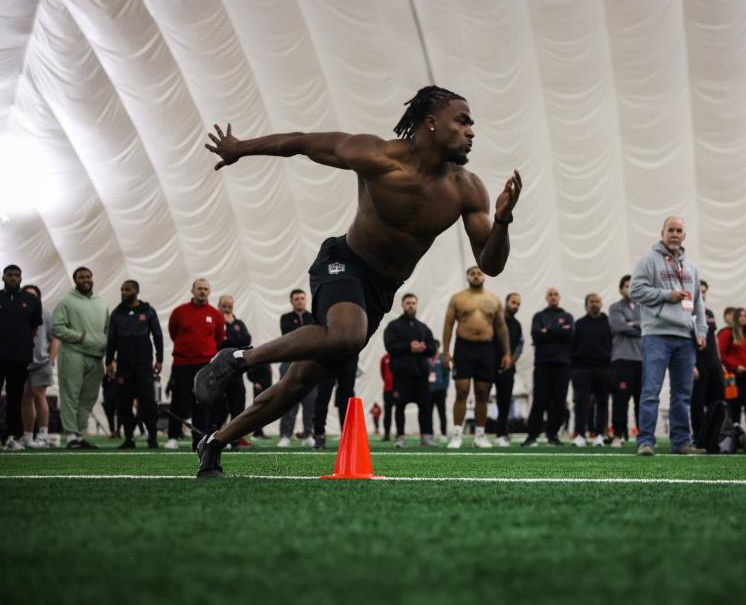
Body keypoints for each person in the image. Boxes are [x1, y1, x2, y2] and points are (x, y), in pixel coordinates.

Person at [194, 86, 521, 477]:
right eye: (463, 121)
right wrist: (240, 147)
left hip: (380, 291)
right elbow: (301, 142)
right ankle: (237, 358)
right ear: (431, 123)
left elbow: (491, 264)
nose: (471, 131)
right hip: (344, 262)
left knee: (299, 383)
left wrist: (501, 221)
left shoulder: (467, 189)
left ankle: (213, 443)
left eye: (472, 124)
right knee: (347, 334)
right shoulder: (376, 156)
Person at [630, 217, 707, 456]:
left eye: (679, 231)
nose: (674, 234)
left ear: (684, 236)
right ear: (662, 233)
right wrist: (666, 295)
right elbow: (635, 290)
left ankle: (681, 443)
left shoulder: (691, 267)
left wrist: (701, 331)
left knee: (682, 395)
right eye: (670, 230)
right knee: (651, 391)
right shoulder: (649, 261)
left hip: (685, 337)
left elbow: (698, 302)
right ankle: (645, 442)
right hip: (656, 335)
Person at [442, 266, 511, 448]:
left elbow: (502, 327)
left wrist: (507, 353)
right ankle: (457, 434)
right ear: (467, 277)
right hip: (463, 348)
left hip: (486, 349)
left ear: (484, 277)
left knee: (483, 392)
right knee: (462, 391)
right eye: (472, 273)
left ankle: (480, 436)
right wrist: (446, 352)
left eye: (479, 273)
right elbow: (449, 324)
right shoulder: (458, 298)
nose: (476, 276)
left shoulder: (493, 299)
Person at [50, 267, 110, 449]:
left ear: (92, 278)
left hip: (96, 357)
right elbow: (57, 328)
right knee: (70, 397)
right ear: (75, 280)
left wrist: (105, 346)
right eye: (81, 277)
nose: (85, 279)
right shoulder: (66, 302)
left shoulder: (101, 302)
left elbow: (108, 330)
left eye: (88, 276)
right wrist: (79, 337)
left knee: (88, 399)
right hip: (72, 354)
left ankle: (79, 434)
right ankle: (70, 438)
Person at [167, 278, 225, 450]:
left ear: (209, 292)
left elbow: (219, 339)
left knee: (203, 402)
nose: (202, 291)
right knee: (179, 400)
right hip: (182, 363)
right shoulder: (179, 312)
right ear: (192, 291)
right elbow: (173, 332)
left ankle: (200, 437)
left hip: (205, 365)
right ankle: (173, 436)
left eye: (206, 289)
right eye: (199, 288)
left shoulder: (215, 315)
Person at [105, 280, 163, 449]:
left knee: (148, 402)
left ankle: (152, 438)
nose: (123, 292)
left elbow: (157, 336)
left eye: (127, 289)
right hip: (124, 367)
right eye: (122, 289)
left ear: (137, 291)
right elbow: (111, 339)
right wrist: (109, 361)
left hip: (144, 366)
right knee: (124, 403)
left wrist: (159, 359)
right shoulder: (117, 313)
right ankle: (128, 438)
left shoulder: (148, 311)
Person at [522, 288, 574, 447]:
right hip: (543, 364)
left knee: (559, 401)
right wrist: (557, 331)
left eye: (555, 294)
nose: (553, 297)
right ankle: (532, 436)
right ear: (546, 298)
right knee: (539, 400)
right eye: (550, 295)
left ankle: (553, 436)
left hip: (562, 365)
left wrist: (548, 330)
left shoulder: (567, 316)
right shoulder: (539, 316)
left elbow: (569, 334)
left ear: (559, 297)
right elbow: (536, 334)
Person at [384, 293, 437, 447]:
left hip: (421, 374)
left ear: (416, 305)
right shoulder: (393, 326)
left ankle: (425, 437)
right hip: (402, 375)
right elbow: (390, 347)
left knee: (425, 406)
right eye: (408, 303)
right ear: (403, 305)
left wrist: (424, 347)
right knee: (400, 406)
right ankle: (400, 437)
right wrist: (409, 347)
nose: (411, 305)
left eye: (413, 303)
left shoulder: (423, 328)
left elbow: (433, 348)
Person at [1, 266, 42, 450]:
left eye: (17, 275)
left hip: (20, 357)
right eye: (9, 275)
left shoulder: (31, 300)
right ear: (3, 277)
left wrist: (21, 343)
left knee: (15, 398)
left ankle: (11, 436)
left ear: (21, 278)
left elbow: (34, 328)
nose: (13, 278)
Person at [277, 289, 318, 448]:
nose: (300, 301)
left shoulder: (313, 318)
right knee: (288, 400)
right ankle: (286, 435)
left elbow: (315, 338)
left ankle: (308, 434)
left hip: (310, 363)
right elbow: (290, 337)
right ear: (291, 301)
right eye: (296, 299)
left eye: (302, 298)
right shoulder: (286, 318)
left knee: (310, 402)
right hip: (289, 363)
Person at [570, 294, 612, 447]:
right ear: (586, 304)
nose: (594, 304)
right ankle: (580, 434)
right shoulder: (579, 324)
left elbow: (613, 344)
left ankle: (599, 435)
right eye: (591, 302)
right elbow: (572, 347)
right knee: (581, 404)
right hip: (582, 369)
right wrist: (573, 370)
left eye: (597, 301)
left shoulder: (609, 322)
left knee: (602, 403)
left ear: (601, 304)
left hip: (604, 368)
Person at [20, 285, 56, 448]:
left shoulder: (46, 314)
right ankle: (27, 436)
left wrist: (51, 358)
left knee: (38, 395)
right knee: (25, 398)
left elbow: (55, 338)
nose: (30, 298)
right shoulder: (15, 314)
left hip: (41, 362)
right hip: (20, 363)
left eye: (34, 295)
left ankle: (43, 436)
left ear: (39, 297)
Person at [609, 274, 642, 448]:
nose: (630, 289)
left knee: (642, 400)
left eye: (633, 285)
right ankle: (617, 435)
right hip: (622, 360)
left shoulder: (644, 307)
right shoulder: (615, 308)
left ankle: (643, 436)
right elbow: (619, 326)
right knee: (621, 400)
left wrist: (631, 324)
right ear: (621, 289)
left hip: (642, 360)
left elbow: (649, 326)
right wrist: (637, 326)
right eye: (627, 286)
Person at [214, 295, 252, 440]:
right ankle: (217, 435)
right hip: (218, 369)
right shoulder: (216, 323)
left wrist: (230, 326)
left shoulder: (239, 324)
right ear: (218, 306)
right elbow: (219, 343)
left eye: (229, 307)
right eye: (224, 306)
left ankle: (236, 436)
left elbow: (245, 341)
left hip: (235, 370)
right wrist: (225, 327)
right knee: (219, 405)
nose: (227, 310)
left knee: (238, 401)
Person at [691, 280, 724, 438]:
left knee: (716, 401)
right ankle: (699, 436)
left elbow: (714, 338)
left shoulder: (709, 313)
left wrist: (720, 363)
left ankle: (714, 435)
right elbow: (685, 340)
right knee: (697, 402)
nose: (702, 294)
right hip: (698, 364)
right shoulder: (688, 312)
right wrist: (691, 365)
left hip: (713, 364)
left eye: (704, 291)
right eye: (700, 291)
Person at [717, 307, 746, 434]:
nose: (743, 318)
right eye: (740, 316)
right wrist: (735, 366)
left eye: (745, 315)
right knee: (735, 405)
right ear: (735, 318)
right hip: (733, 376)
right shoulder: (727, 333)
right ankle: (734, 433)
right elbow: (721, 354)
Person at [493, 292, 523, 447]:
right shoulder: (495, 320)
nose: (516, 306)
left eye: (518, 304)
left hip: (508, 368)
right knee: (483, 397)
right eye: (513, 302)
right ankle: (480, 433)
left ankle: (501, 434)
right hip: (490, 365)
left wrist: (512, 359)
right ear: (506, 301)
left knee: (504, 402)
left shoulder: (517, 325)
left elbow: (520, 344)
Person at [312, 356, 358, 450]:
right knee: (323, 396)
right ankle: (319, 434)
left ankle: (348, 436)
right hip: (328, 356)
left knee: (347, 397)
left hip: (349, 356)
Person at [429, 351, 451, 443]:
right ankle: (429, 434)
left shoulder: (442, 358)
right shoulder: (426, 358)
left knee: (442, 413)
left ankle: (443, 433)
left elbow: (447, 374)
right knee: (428, 414)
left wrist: (445, 388)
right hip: (428, 390)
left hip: (440, 389)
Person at [380, 353, 396, 440]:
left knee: (399, 411)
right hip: (388, 390)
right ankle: (387, 433)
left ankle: (399, 434)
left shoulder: (399, 357)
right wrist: (387, 383)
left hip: (398, 389)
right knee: (387, 412)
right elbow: (382, 373)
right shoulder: (384, 358)